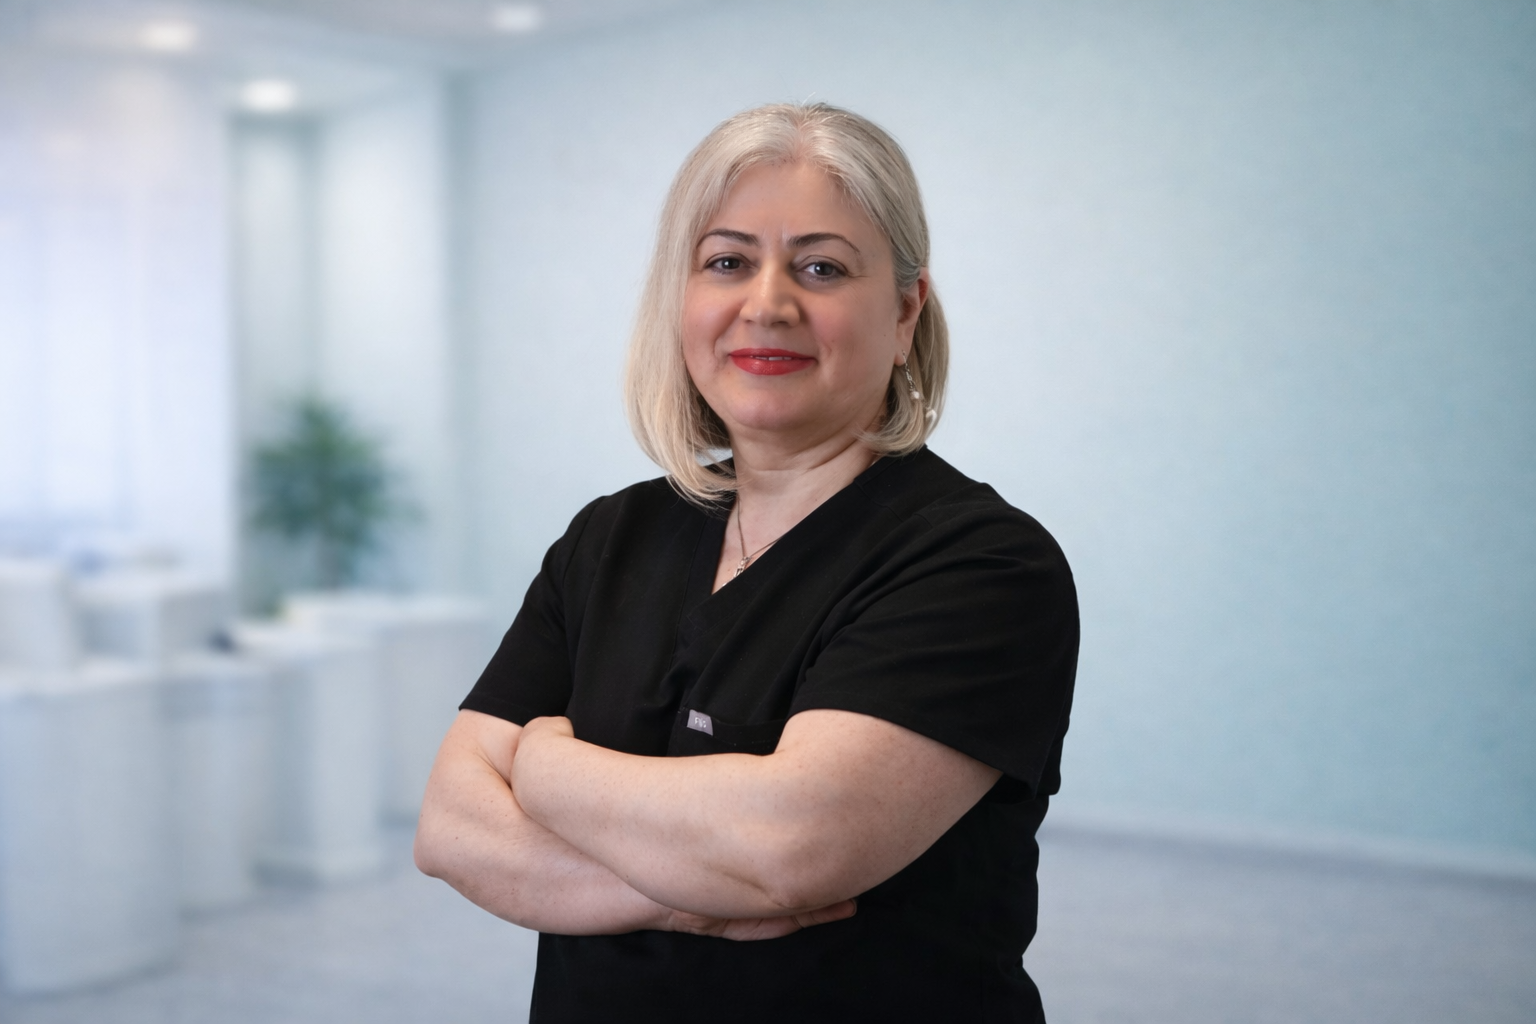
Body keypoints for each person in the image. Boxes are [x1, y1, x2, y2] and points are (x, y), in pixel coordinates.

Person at [414, 102, 1078, 1023]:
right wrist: (689, 896)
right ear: (679, 302)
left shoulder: (982, 563)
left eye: (821, 266)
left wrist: (540, 764)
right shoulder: (609, 537)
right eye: (727, 262)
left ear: (904, 310)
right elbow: (452, 828)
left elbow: (787, 848)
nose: (767, 303)